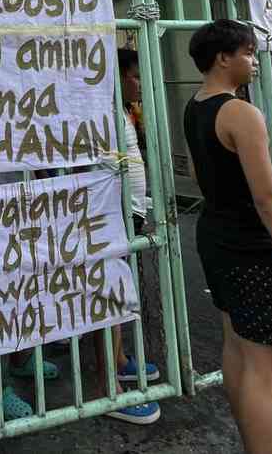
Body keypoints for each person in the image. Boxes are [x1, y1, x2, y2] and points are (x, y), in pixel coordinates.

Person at [182, 20, 272, 454]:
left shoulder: (195, 105)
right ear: (222, 58)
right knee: (267, 368)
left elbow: (198, 174)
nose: (255, 62)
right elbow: (268, 198)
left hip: (215, 236)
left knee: (238, 348)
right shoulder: (241, 114)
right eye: (248, 53)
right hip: (249, 246)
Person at [88, 49, 161, 424]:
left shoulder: (123, 112)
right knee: (109, 297)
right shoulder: (103, 113)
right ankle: (108, 390)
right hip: (110, 214)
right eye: (134, 76)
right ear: (116, 77)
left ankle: (118, 361)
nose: (140, 84)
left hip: (126, 212)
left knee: (117, 293)